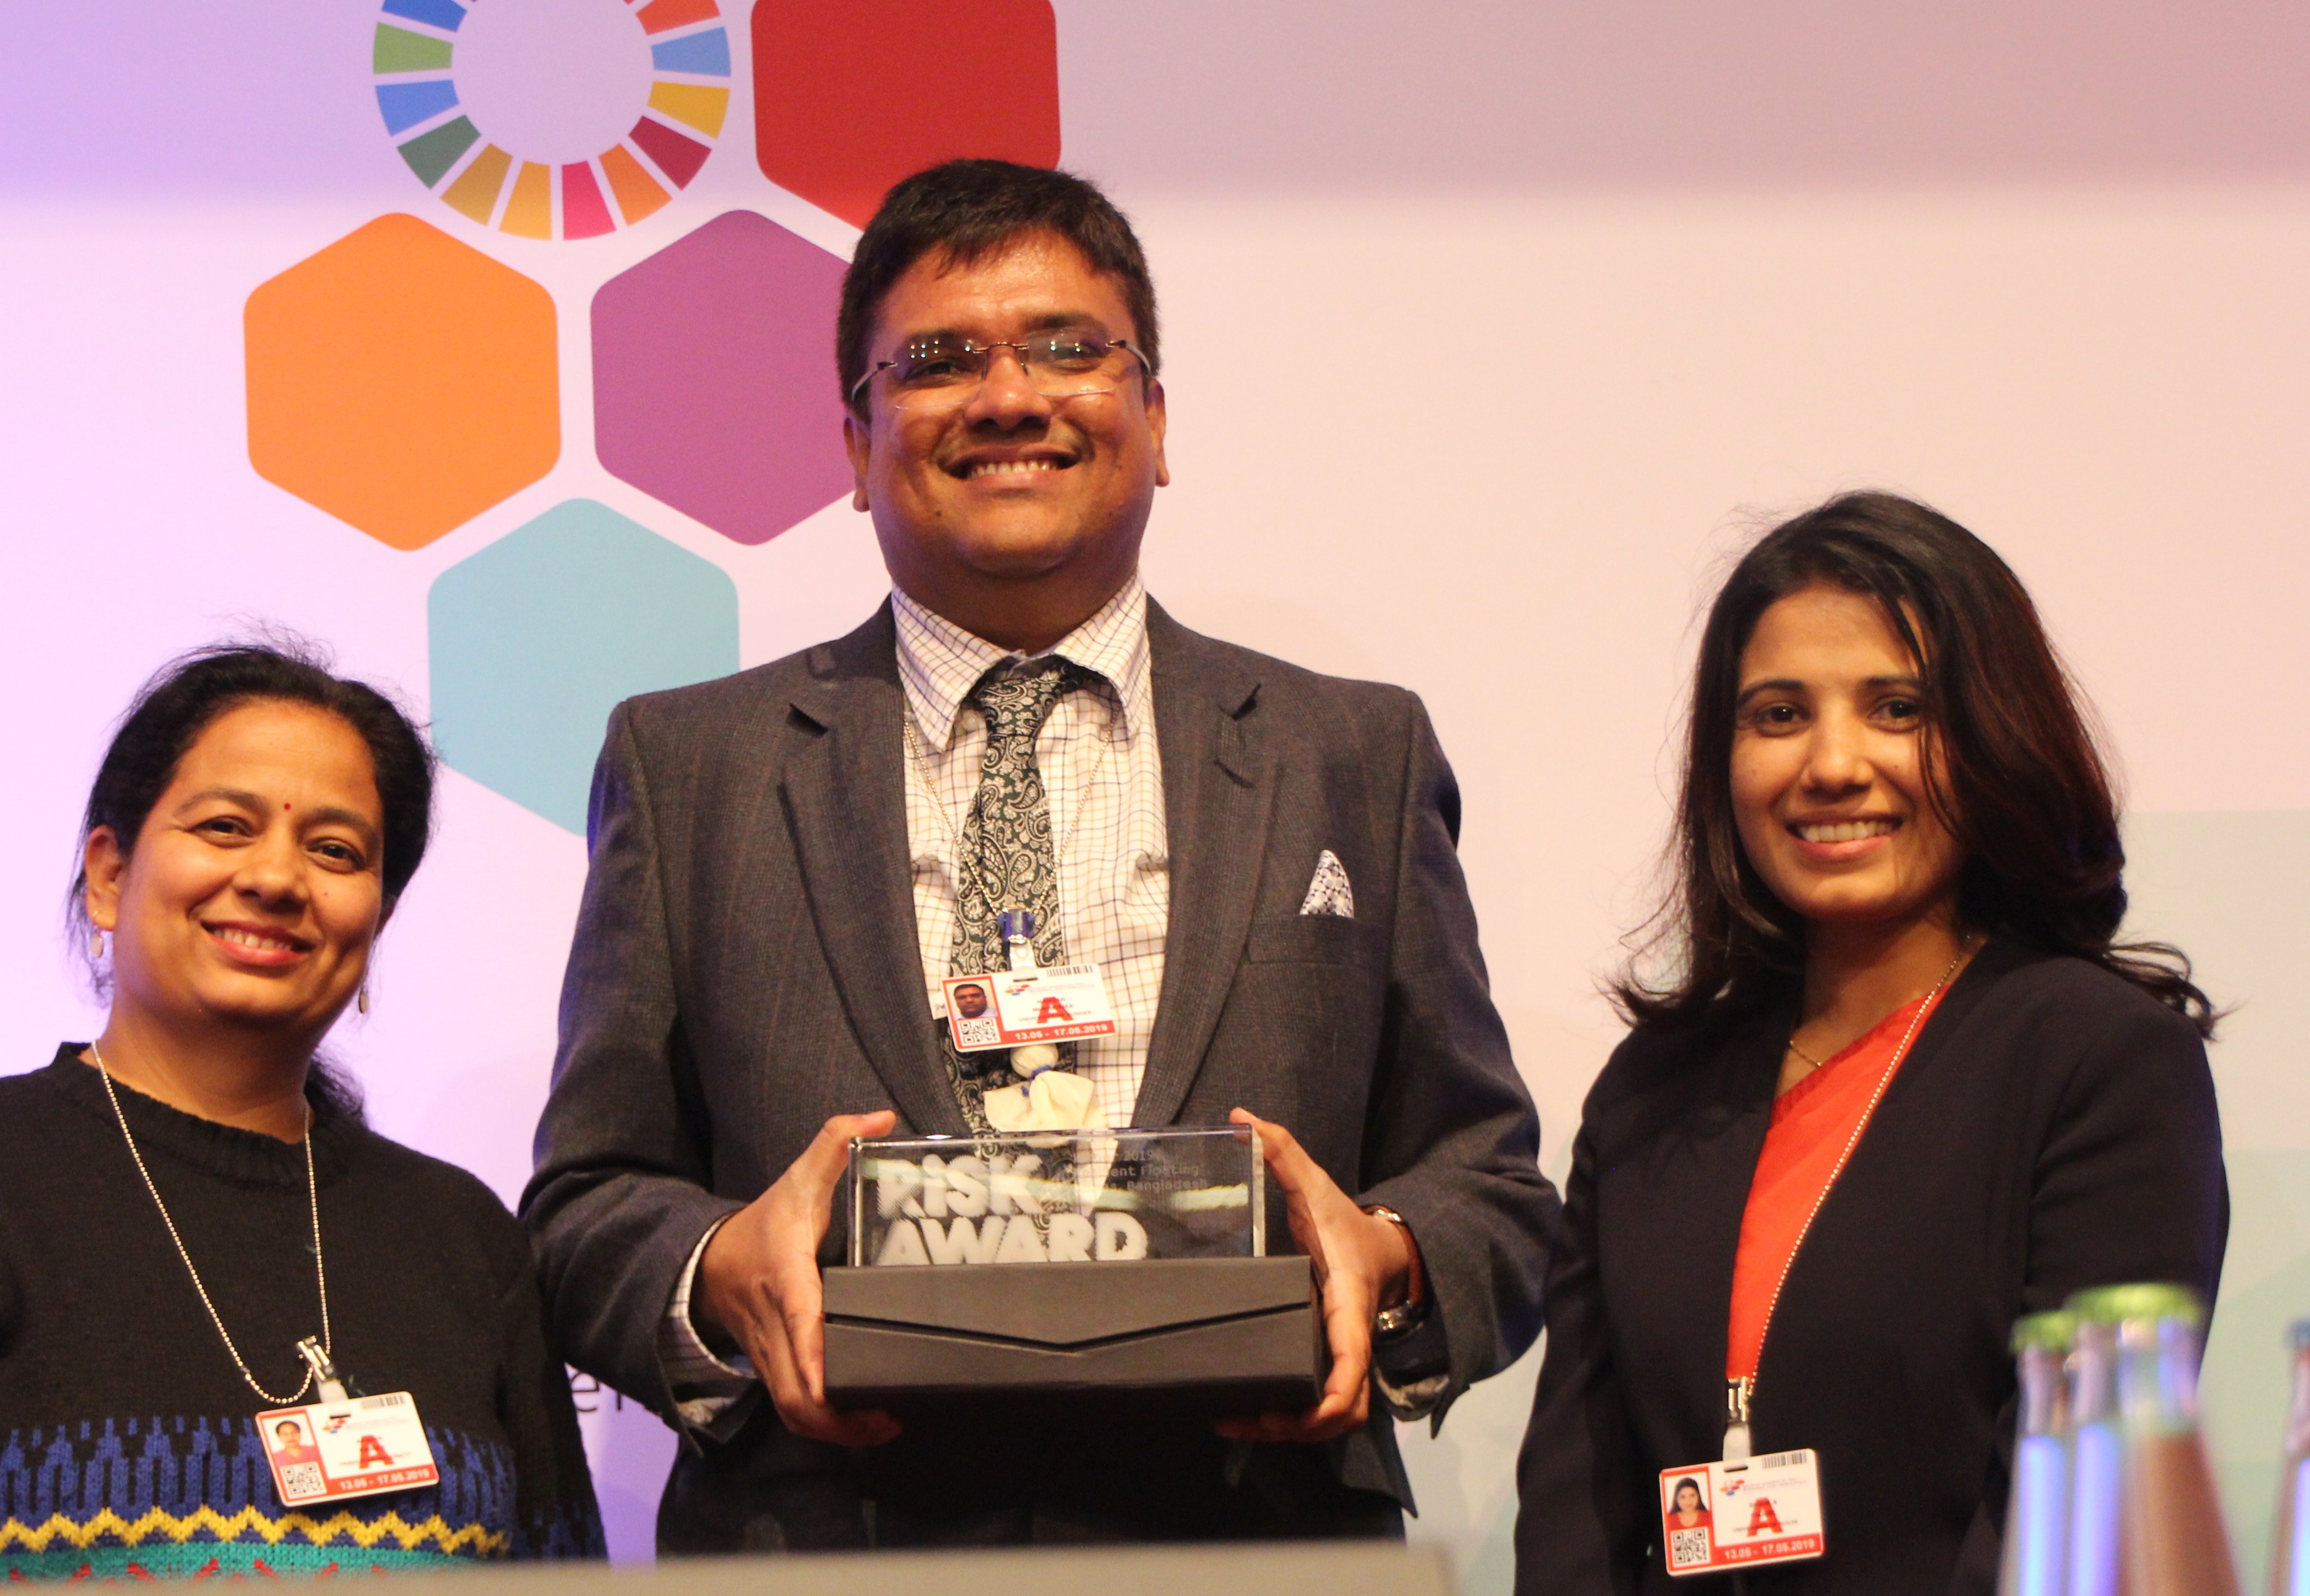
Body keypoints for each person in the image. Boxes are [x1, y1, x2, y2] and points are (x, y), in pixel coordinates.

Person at [524, 158, 1557, 1549]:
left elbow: (1490, 1188)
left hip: (1252, 1542)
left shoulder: (1351, 753)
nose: (1009, 397)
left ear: (1156, 419)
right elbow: (585, 1206)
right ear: (855, 443)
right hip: (837, 1545)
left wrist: (1386, 1260)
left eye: (1070, 349)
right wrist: (719, 1271)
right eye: (939, 361)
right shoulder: (689, 766)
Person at [0, 643, 603, 1583]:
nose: (278, 879)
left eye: (335, 851)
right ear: (110, 875)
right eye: (226, 827)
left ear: (377, 919)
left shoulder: (465, 1239)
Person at [1514, 493, 2226, 1594]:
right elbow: (1578, 1516)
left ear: (1994, 735)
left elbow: (2074, 1514)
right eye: (1779, 715)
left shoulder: (2099, 1061)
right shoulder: (1652, 1091)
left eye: (1897, 709)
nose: (1833, 764)